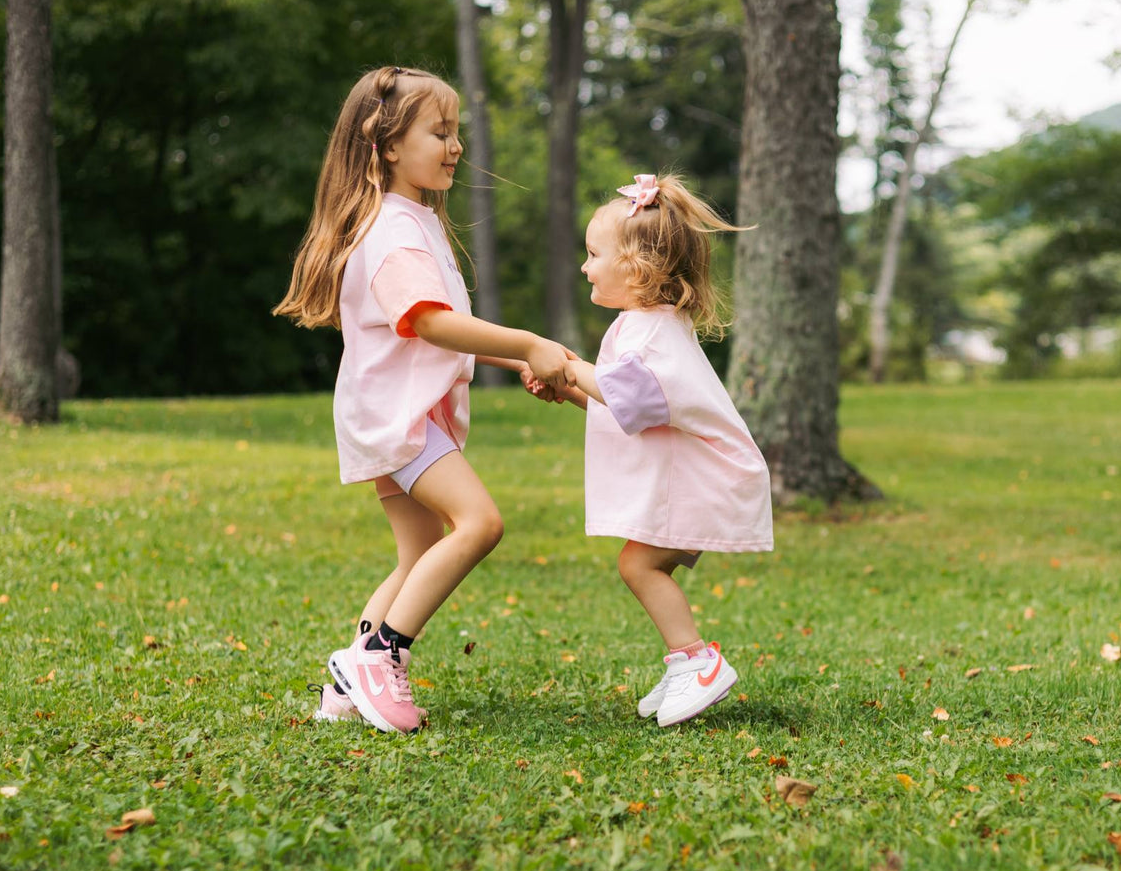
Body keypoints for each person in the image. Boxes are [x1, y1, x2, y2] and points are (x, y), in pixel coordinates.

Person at [273, 66, 572, 733]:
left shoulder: (410, 220)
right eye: (439, 132)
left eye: (455, 131)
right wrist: (526, 343)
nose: (455, 146)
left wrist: (513, 356)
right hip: (396, 417)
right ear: (385, 145)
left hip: (390, 412)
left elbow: (433, 329)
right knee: (480, 524)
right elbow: (428, 322)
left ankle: (345, 686)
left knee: (417, 554)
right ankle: (382, 654)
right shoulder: (393, 230)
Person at [549, 173, 774, 727]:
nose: (585, 266)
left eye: (594, 254)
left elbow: (625, 391)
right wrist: (570, 387)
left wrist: (568, 367)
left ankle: (696, 662)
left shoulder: (652, 333)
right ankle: (686, 665)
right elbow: (634, 412)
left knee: (638, 563)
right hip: (696, 474)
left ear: (637, 270)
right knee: (640, 562)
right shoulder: (640, 325)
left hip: (702, 478)